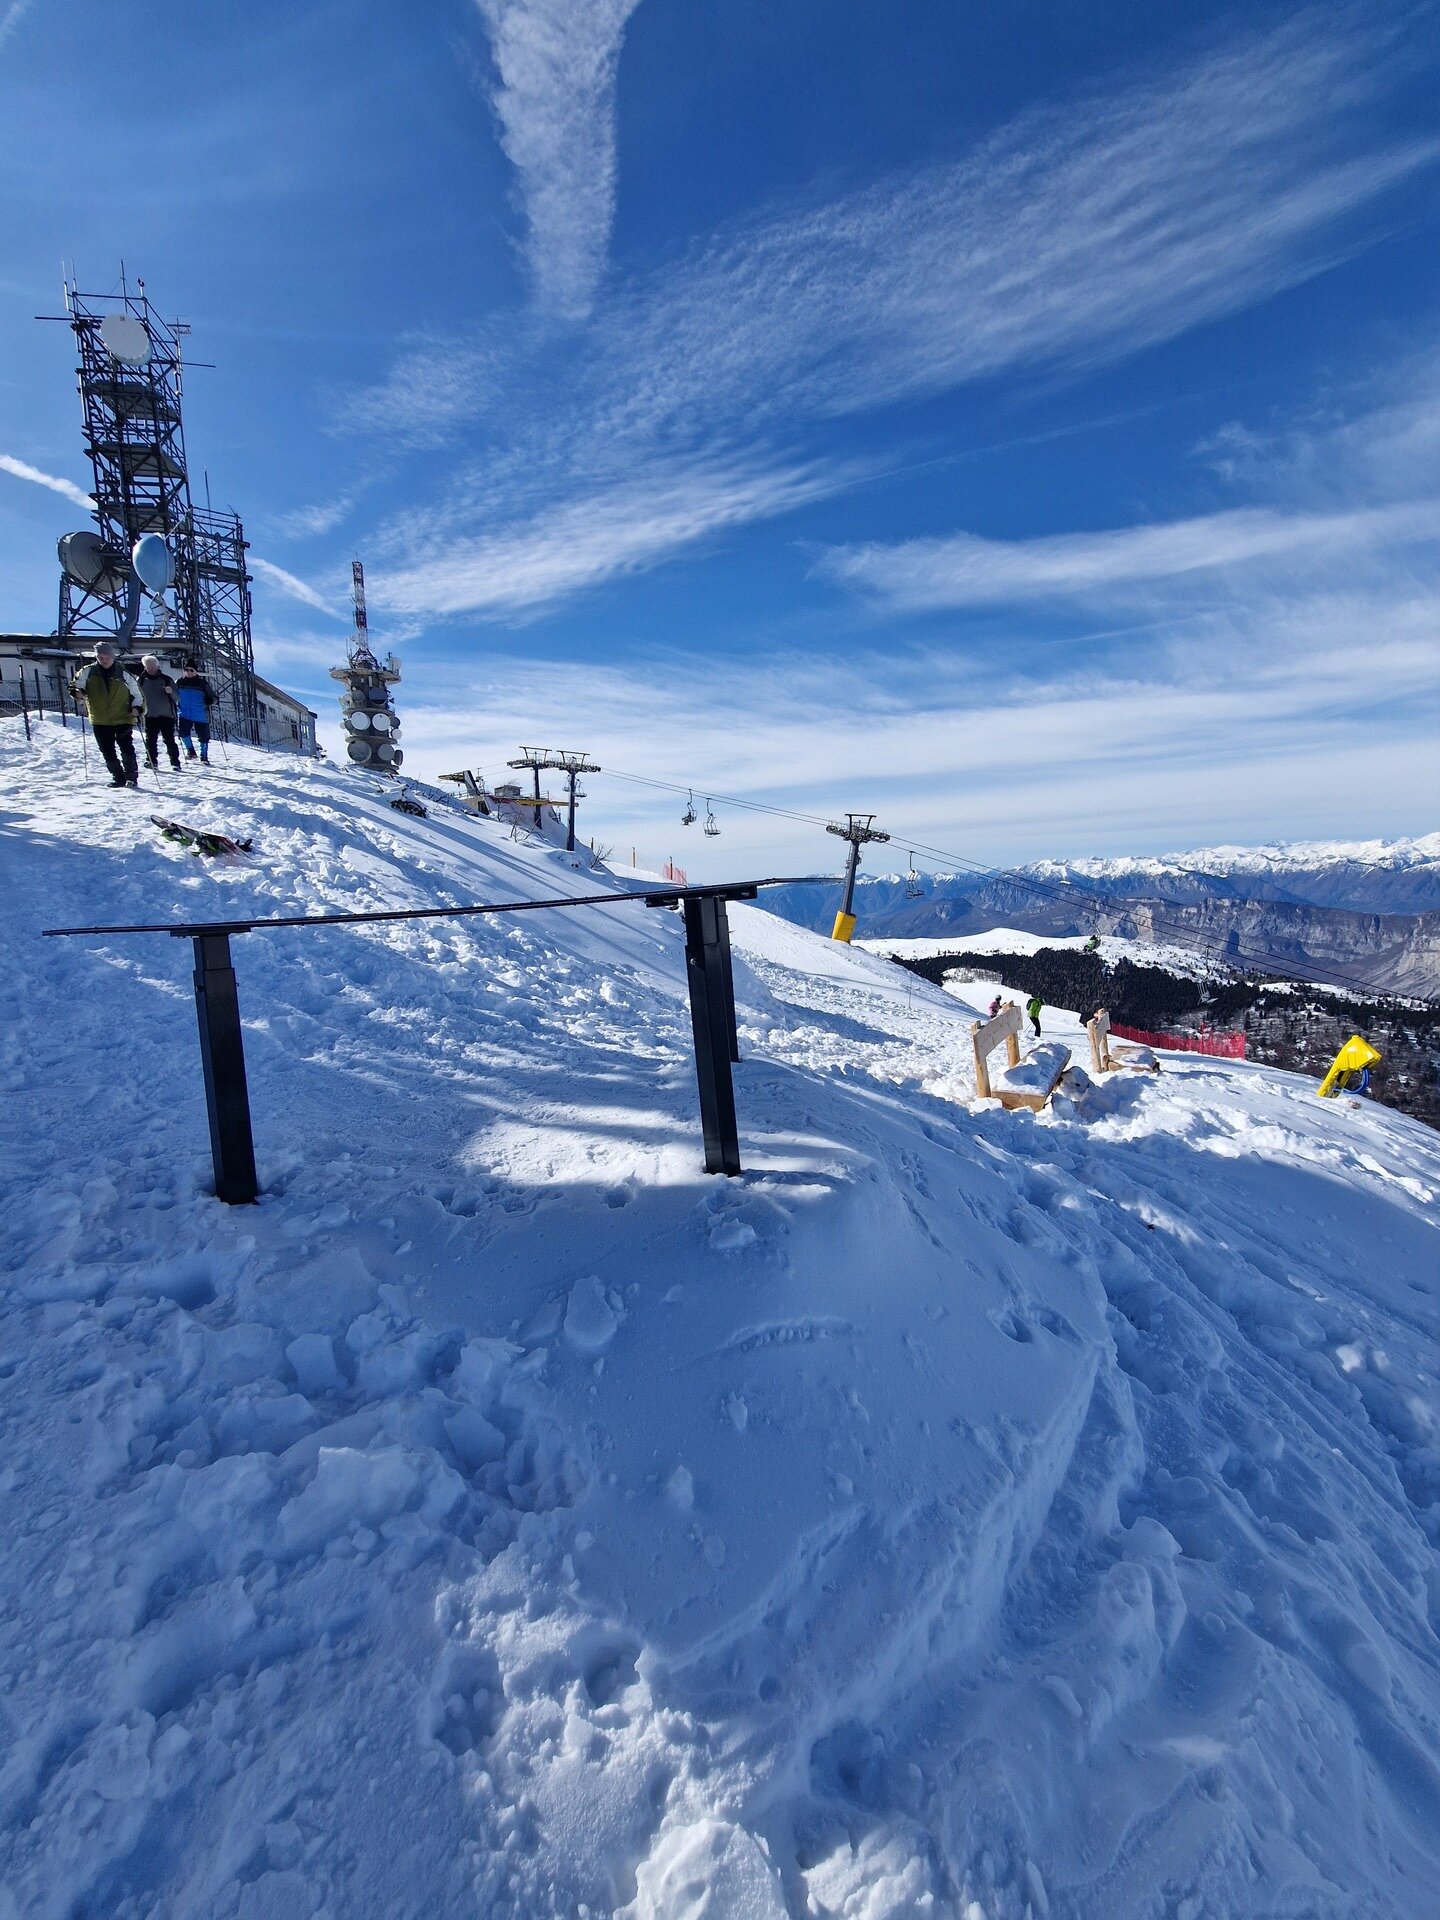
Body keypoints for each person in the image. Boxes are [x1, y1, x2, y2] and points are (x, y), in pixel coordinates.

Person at [70, 642, 141, 788]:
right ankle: (118, 777)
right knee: (107, 750)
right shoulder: (87, 671)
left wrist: (137, 708)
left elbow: (137, 693)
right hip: (100, 718)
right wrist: (77, 693)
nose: (104, 660)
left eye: (107, 657)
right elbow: (76, 686)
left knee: (126, 748)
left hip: (123, 717)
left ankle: (131, 777)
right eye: (101, 657)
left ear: (113, 657)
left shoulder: (123, 673)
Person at [136, 654, 181, 771]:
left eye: (153, 666)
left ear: (158, 665)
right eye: (148, 666)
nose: (151, 669)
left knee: (169, 739)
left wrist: (171, 692)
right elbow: (137, 697)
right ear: (145, 667)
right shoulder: (141, 681)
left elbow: (177, 697)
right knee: (150, 740)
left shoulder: (166, 679)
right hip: (149, 715)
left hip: (167, 715)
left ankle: (175, 762)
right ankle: (152, 761)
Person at [174, 660, 215, 762]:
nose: (188, 672)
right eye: (186, 670)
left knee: (204, 737)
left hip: (201, 714)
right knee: (183, 733)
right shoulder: (179, 682)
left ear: (196, 671)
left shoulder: (203, 684)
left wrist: (210, 700)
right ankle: (191, 751)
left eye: (191, 670)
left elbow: (214, 697)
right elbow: (174, 695)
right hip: (184, 713)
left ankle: (204, 756)